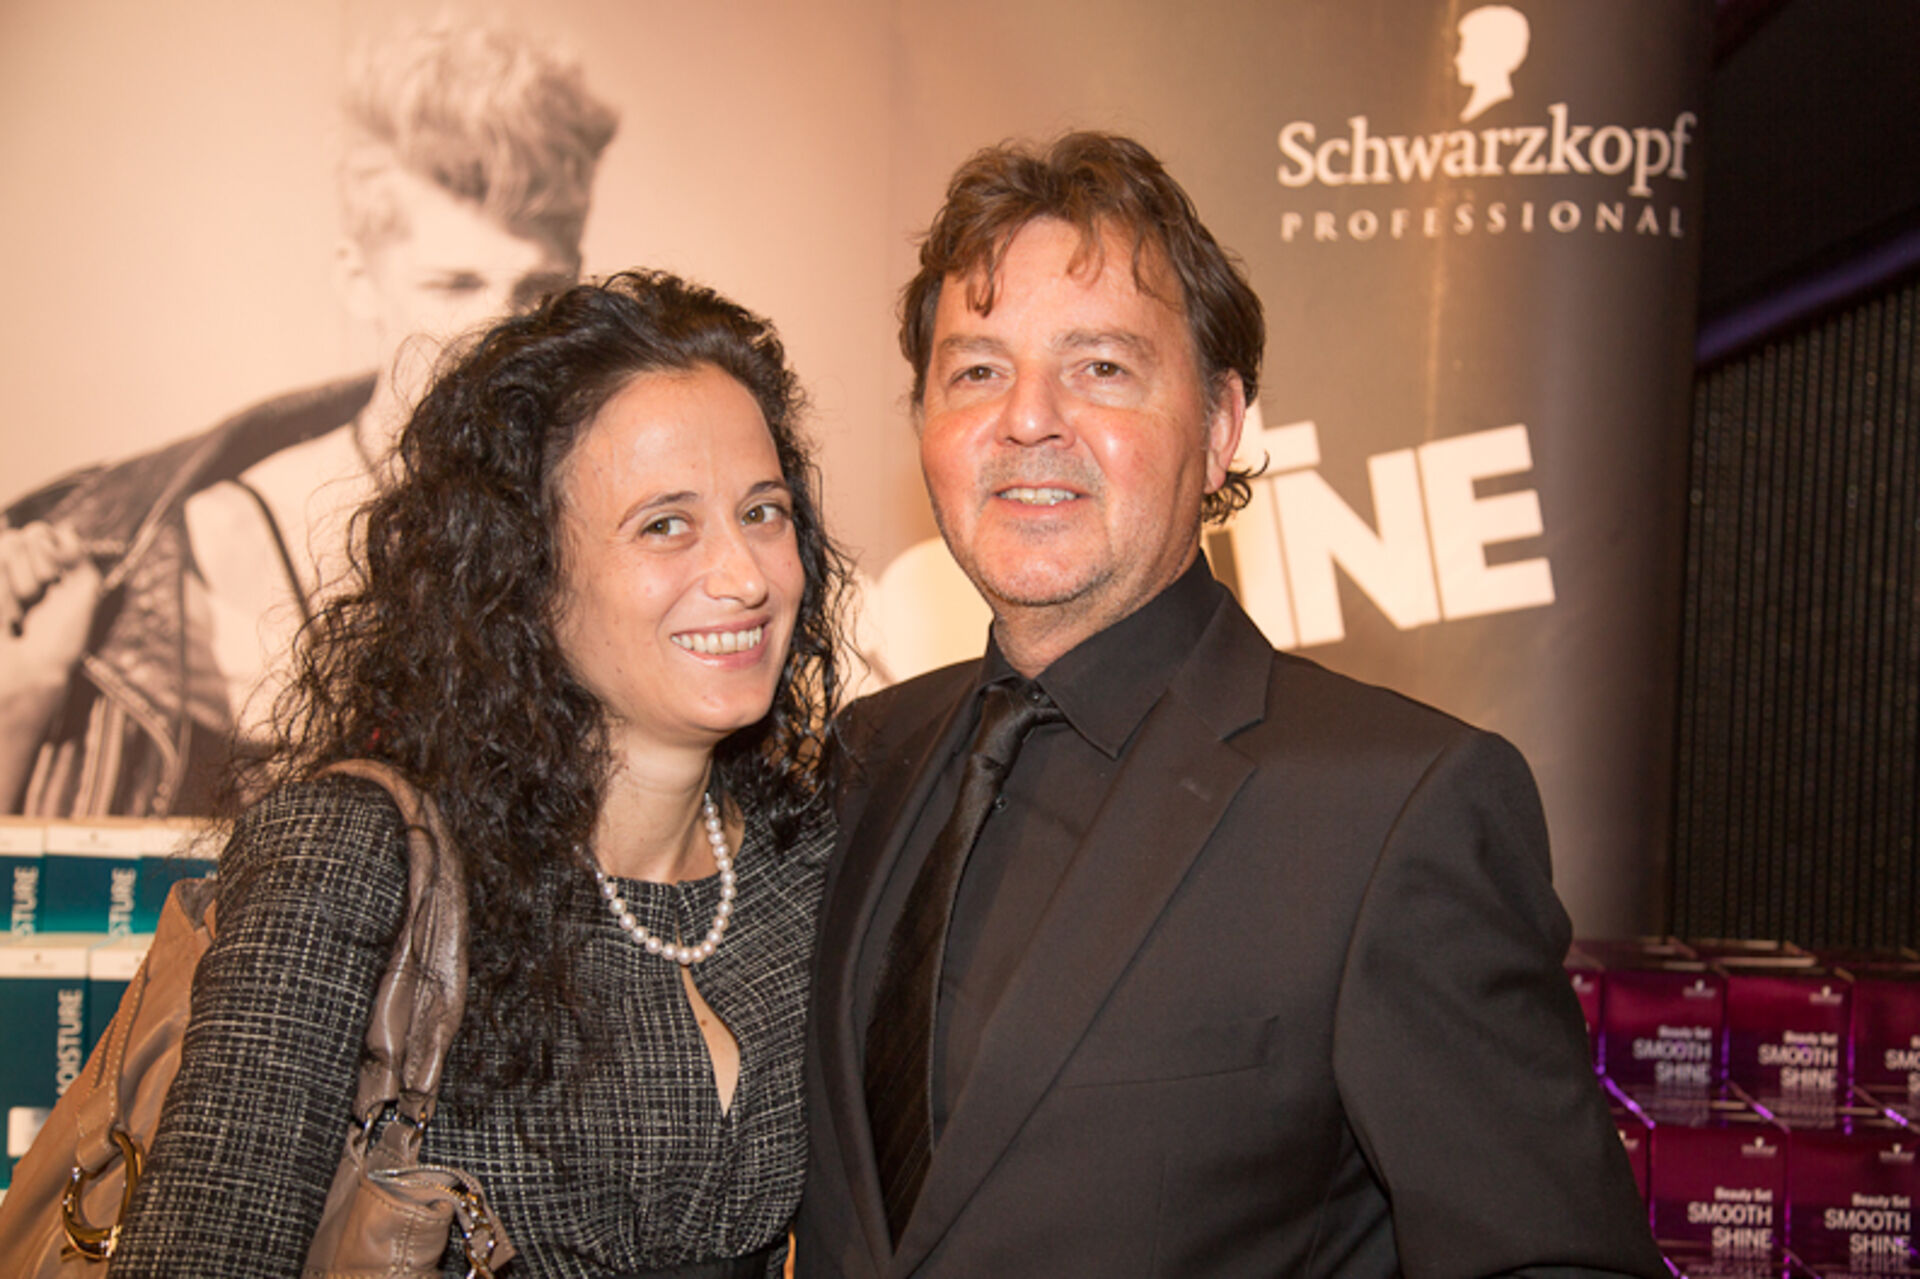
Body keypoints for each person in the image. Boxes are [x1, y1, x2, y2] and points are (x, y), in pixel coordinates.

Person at [794, 133, 1663, 1277]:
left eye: (1102, 367)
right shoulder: (863, 756)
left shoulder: (1394, 809)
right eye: (977, 372)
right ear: (925, 424)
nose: (1028, 418)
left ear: (1219, 425)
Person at [98, 270, 852, 1276]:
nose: (747, 575)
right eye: (665, 524)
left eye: (763, 511)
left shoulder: (812, 856)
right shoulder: (354, 856)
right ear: (522, 569)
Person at [0, 19, 617, 818]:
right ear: (358, 279)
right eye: (453, 284)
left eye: (540, 289)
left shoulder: (610, 529)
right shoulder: (187, 551)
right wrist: (23, 697)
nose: (501, 331)